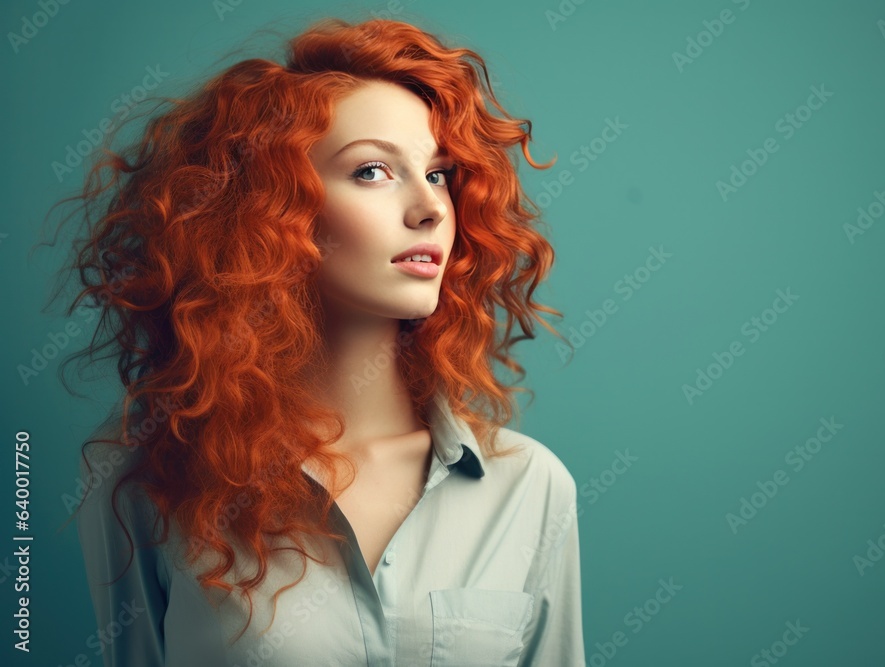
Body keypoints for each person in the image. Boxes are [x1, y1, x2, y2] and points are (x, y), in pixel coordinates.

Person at [55, 16, 585, 667]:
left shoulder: (529, 485)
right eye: (371, 171)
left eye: (440, 173)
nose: (430, 208)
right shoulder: (144, 480)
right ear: (268, 212)